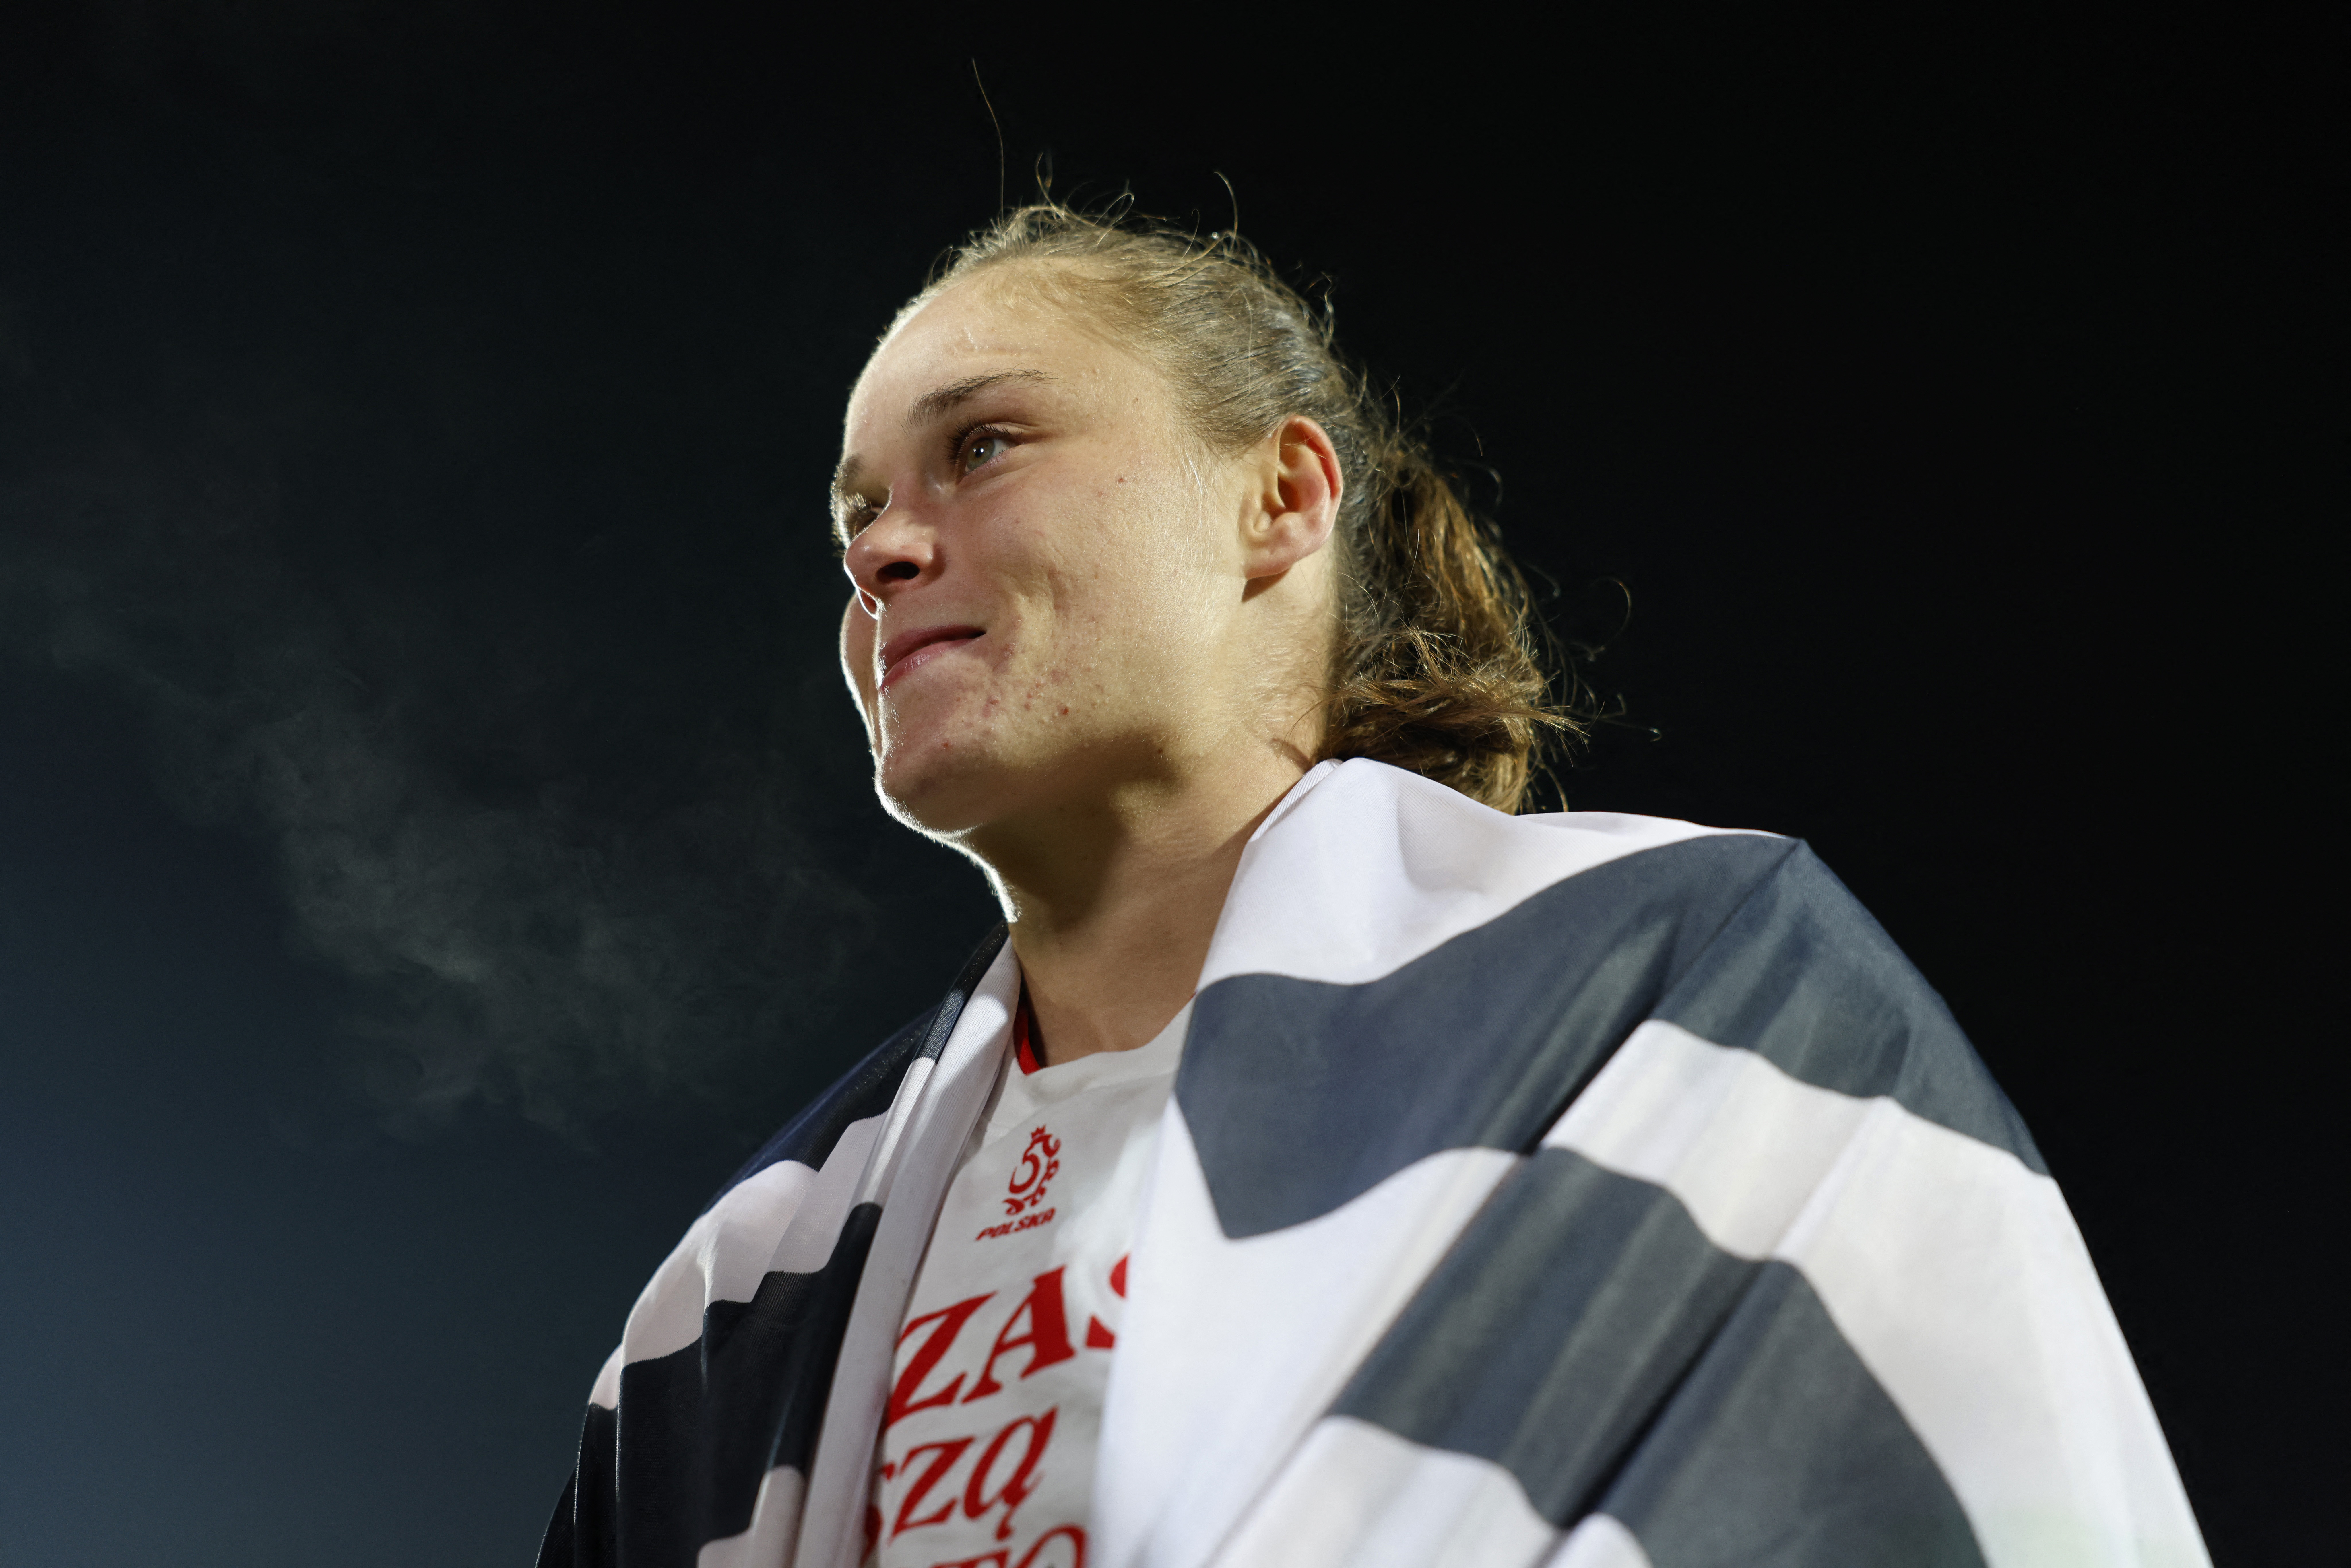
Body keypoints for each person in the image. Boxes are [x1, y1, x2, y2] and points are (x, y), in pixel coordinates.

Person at [537, 206, 2207, 1568]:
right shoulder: (737, 1288)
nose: (886, 550)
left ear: (1280, 499)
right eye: (860, 517)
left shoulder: (1690, 987)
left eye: (982, 446)